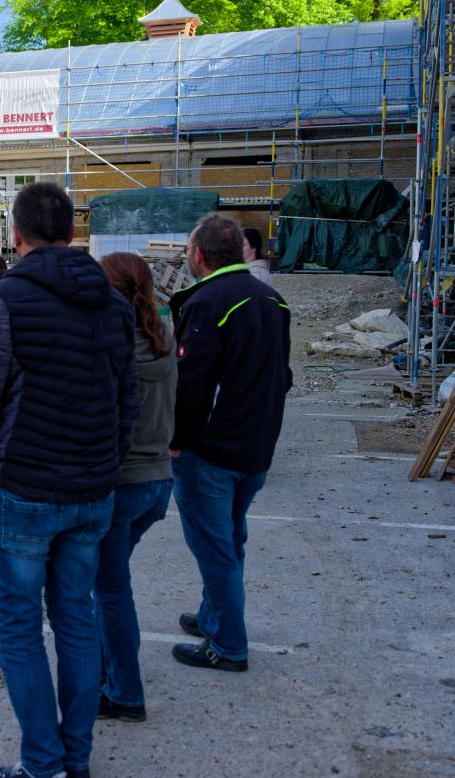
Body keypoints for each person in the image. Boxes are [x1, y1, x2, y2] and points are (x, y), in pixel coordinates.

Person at [0, 182, 139, 778]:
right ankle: (72, 760)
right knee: (76, 619)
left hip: (23, 489)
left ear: (16, 234)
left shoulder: (6, 301)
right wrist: (107, 465)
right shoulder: (112, 304)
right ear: (72, 232)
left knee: (19, 627)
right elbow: (126, 400)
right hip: (89, 489)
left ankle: (44, 764)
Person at [169, 214, 291, 672]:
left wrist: (176, 439)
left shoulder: (210, 301)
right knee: (229, 538)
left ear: (198, 255)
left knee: (215, 546)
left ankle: (227, 645)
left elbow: (192, 383)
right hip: (255, 446)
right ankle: (213, 616)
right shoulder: (272, 300)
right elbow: (284, 377)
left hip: (212, 449)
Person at [94, 252, 178, 722]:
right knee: (110, 586)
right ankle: (112, 673)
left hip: (124, 481)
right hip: (157, 480)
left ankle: (123, 690)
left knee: (108, 591)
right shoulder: (161, 331)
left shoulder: (114, 339)